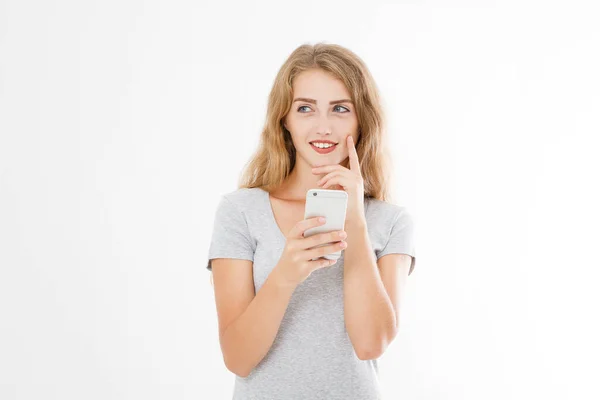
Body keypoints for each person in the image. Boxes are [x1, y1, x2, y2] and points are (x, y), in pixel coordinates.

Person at [206, 42, 416, 400]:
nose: (323, 127)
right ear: (284, 119)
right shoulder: (240, 211)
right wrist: (287, 273)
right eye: (305, 108)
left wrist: (356, 221)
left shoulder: (390, 220)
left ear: (361, 118)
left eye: (339, 109)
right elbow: (238, 358)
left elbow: (370, 344)